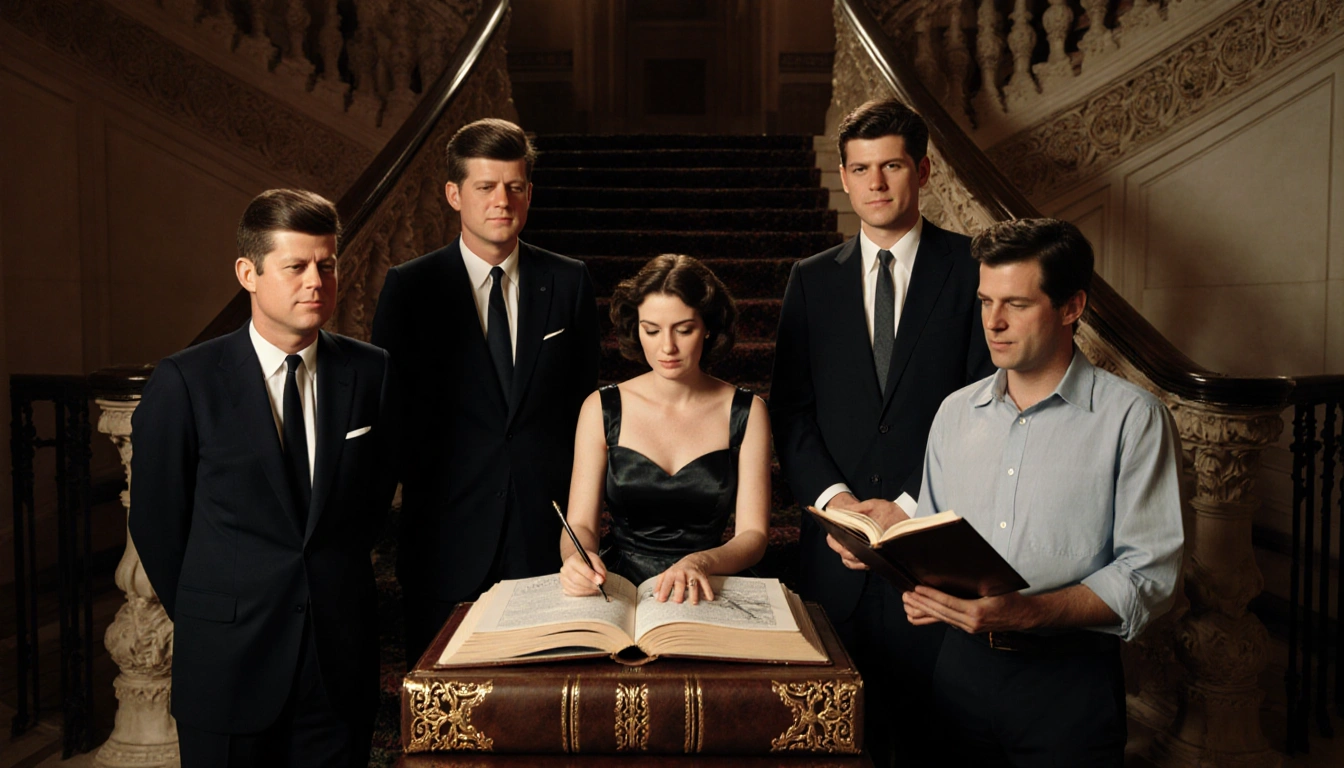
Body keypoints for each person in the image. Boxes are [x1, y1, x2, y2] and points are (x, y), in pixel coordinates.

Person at [129, 189, 399, 767]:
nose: (316, 282)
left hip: (337, 664)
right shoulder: (186, 381)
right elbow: (156, 523)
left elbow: (371, 506)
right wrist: (220, 612)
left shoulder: (370, 372)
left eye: (326, 265)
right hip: (229, 663)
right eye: (296, 266)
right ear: (247, 273)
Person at [900, 218, 1184, 766]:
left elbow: (1150, 575)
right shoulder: (954, 413)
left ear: (1071, 307)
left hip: (1069, 685)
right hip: (956, 674)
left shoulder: (1133, 419)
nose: (994, 322)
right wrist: (915, 583)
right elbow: (930, 538)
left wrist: (1026, 613)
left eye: (1017, 304)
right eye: (985, 301)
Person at [768, 98, 995, 765]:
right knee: (833, 737)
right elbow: (791, 410)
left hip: (933, 551)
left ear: (923, 171)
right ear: (843, 175)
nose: (876, 183)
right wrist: (836, 504)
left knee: (929, 738)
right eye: (861, 168)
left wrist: (908, 506)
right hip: (832, 553)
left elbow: (989, 408)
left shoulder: (973, 268)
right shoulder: (810, 281)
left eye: (891, 165)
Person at [371, 118, 599, 665]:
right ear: (454, 194)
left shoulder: (568, 280)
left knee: (537, 717)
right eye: (485, 187)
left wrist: (579, 523)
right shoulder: (411, 288)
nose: (503, 200)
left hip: (543, 539)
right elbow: (388, 420)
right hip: (443, 540)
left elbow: (586, 408)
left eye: (515, 186)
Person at [558, 254, 771, 605]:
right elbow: (579, 524)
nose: (666, 347)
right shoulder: (600, 408)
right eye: (651, 330)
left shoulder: (748, 412)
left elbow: (754, 534)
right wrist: (575, 559)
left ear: (708, 327)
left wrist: (700, 562)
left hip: (709, 581)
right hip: (617, 585)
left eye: (684, 329)